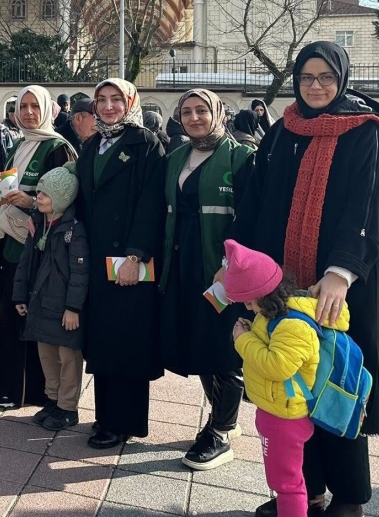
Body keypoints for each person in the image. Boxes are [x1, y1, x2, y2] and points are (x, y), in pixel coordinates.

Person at [231, 42, 379, 517]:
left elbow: (366, 206)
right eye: (306, 77)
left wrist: (341, 272)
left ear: (342, 79)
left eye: (326, 77)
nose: (316, 86)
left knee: (337, 381)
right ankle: (306, 490)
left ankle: (349, 497)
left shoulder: (364, 132)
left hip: (337, 286)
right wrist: (238, 258)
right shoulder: (283, 130)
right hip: (283, 284)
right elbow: (257, 199)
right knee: (292, 387)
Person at [159, 89, 256, 471]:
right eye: (187, 112)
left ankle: (222, 431)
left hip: (221, 267)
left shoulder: (241, 157)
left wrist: (231, 263)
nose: (194, 117)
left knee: (224, 347)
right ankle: (222, 416)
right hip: (183, 263)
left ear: (219, 113)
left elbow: (250, 218)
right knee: (200, 342)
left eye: (202, 110)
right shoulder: (176, 156)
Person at [75, 78, 166, 450]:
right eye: (102, 99)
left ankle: (125, 421)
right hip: (97, 257)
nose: (109, 106)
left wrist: (135, 255)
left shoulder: (145, 143)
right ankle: (106, 416)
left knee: (127, 341)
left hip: (128, 260)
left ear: (130, 102)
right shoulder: (92, 143)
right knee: (103, 339)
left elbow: (151, 204)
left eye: (116, 99)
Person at [223, 240, 323, 517]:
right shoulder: (274, 314)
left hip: (285, 417)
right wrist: (250, 330)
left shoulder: (293, 325)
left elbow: (277, 366)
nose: (248, 308)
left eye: (249, 302)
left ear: (263, 295)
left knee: (287, 484)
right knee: (285, 480)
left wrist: (242, 339)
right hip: (275, 410)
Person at [0, 85, 77, 410]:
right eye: (23, 106)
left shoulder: (57, 148)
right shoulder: (19, 144)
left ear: (46, 109)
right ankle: (9, 387)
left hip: (42, 250)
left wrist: (31, 203)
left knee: (34, 320)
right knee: (11, 317)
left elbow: (67, 201)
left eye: (34, 106)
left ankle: (36, 392)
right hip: (13, 244)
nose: (28, 112)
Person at [13, 166, 88, 431]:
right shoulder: (39, 225)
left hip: (63, 306)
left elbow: (80, 272)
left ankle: (68, 407)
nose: (39, 198)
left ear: (61, 198)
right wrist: (19, 294)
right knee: (46, 355)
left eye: (44, 194)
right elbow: (25, 262)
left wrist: (73, 307)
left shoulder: (74, 230)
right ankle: (53, 399)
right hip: (41, 301)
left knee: (68, 358)